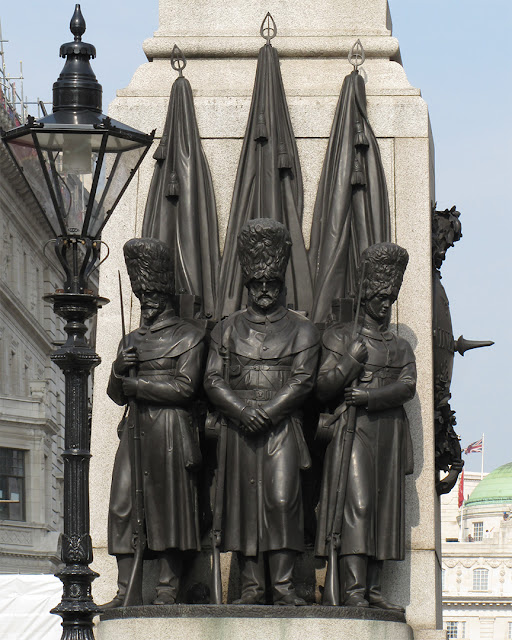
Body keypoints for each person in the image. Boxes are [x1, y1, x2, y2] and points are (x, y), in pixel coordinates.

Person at [204, 219, 320, 605]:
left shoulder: (302, 330)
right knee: (243, 505)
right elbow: (213, 379)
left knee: (283, 501)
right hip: (239, 430)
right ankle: (252, 586)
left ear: (281, 284)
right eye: (258, 285)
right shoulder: (227, 329)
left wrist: (268, 411)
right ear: (248, 286)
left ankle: (284, 586)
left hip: (282, 427)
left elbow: (303, 379)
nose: (265, 291)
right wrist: (240, 410)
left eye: (272, 284)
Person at [103, 238, 205, 607]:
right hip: (135, 432)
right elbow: (117, 395)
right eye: (141, 293)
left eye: (152, 292)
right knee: (123, 505)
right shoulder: (130, 339)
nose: (146, 299)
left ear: (166, 293)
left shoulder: (189, 336)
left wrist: (137, 384)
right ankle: (124, 589)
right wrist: (118, 370)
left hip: (169, 430)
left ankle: (167, 587)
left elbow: (185, 388)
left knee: (168, 505)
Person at [315, 242, 416, 611]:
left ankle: (373, 588)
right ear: (365, 297)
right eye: (378, 299)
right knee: (357, 503)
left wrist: (370, 398)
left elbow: (407, 386)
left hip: (387, 431)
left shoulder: (401, 347)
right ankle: (353, 588)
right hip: (352, 432)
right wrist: (349, 364)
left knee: (383, 508)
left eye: (389, 299)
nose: (385, 305)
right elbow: (323, 386)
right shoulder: (341, 337)